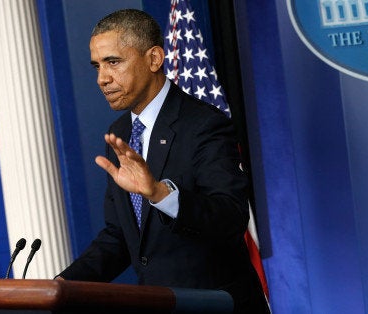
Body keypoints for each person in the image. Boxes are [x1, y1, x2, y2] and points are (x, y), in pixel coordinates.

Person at [57, 9, 269, 313]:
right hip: (159, 304)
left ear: (154, 59)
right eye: (97, 66)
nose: (102, 78)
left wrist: (160, 195)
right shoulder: (120, 133)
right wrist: (62, 285)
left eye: (113, 62)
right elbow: (120, 236)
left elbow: (231, 218)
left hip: (214, 305)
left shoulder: (203, 124)